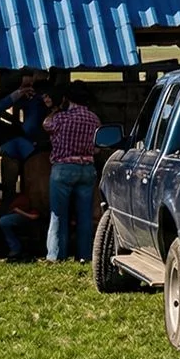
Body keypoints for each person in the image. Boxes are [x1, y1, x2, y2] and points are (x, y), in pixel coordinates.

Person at [42, 81, 101, 262]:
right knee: (84, 215)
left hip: (63, 168)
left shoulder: (61, 118)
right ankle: (84, 254)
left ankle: (56, 255)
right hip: (87, 167)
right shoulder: (94, 119)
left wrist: (55, 110)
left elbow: (46, 125)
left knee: (58, 214)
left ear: (68, 98)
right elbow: (97, 147)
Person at [0, 192, 45, 261]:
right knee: (3, 221)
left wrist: (19, 211)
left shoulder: (35, 201)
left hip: (28, 215)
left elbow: (34, 216)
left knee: (4, 221)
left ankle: (15, 249)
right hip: (18, 212)